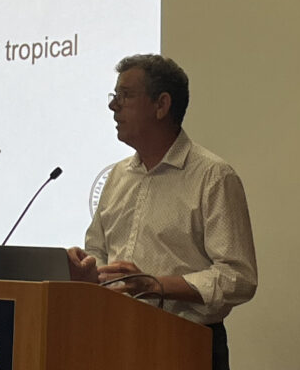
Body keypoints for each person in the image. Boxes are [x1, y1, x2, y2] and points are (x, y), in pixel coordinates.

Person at [67, 54, 257, 370]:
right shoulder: (117, 176)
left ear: (162, 105)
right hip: (115, 337)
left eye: (125, 96)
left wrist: (155, 285)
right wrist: (91, 273)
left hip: (186, 344)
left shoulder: (212, 176)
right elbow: (99, 249)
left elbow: (238, 277)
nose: (113, 106)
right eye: (114, 96)